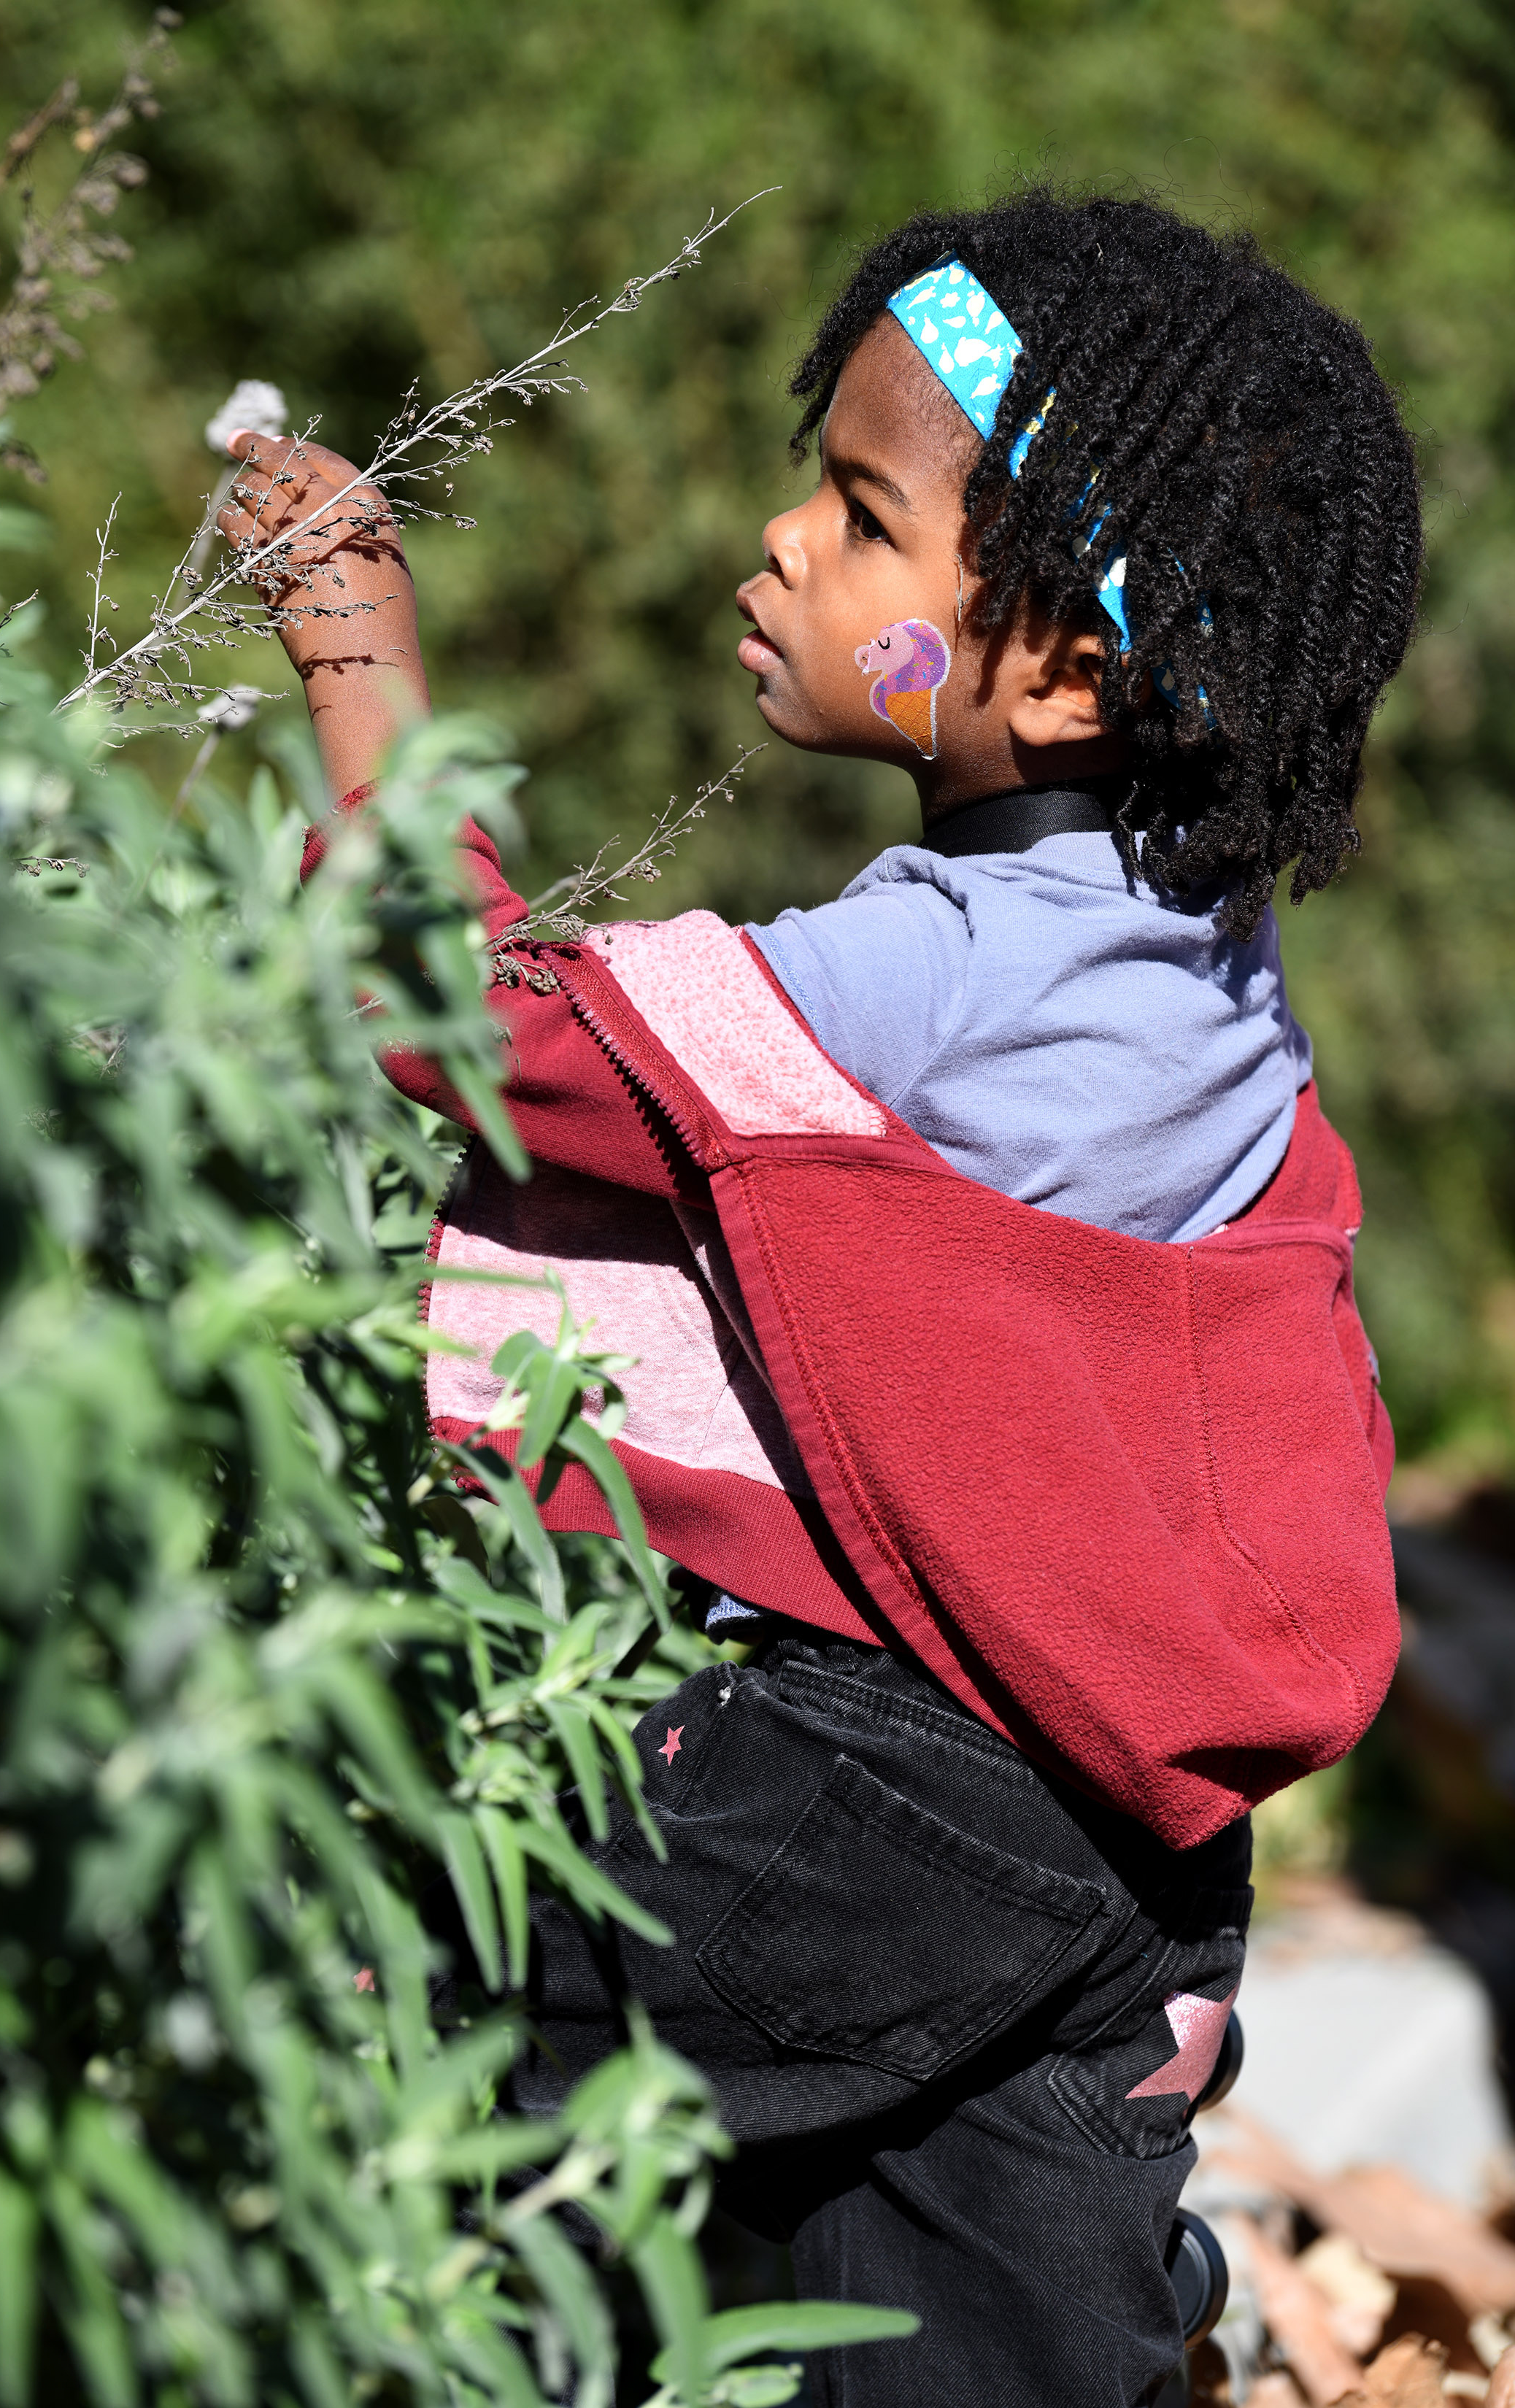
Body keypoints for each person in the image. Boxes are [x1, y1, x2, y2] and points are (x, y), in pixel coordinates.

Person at [221, 188, 1418, 2406]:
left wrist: (353, 651)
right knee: (977, 2337)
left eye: (866, 518)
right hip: (1130, 1842)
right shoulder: (1202, 952)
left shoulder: (948, 969)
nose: (785, 540)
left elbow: (477, 1021)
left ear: (1066, 667)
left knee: (399, 2012)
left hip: (885, 1781)